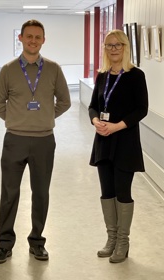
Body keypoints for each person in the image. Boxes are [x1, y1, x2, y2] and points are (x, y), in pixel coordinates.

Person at [0, 19, 71, 264]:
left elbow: (65, 102)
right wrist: (18, 119)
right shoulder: (8, 69)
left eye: (38, 37)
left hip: (44, 142)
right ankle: (4, 244)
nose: (33, 41)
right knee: (9, 193)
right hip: (14, 140)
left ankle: (37, 241)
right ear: (21, 39)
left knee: (41, 193)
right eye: (29, 36)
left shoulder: (54, 69)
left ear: (43, 40)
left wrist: (45, 117)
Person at [88, 29, 148, 263]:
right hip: (103, 141)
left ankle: (123, 242)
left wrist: (116, 126)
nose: (113, 49)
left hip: (125, 142)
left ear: (125, 47)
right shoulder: (102, 76)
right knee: (107, 192)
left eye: (117, 45)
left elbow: (141, 109)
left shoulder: (136, 75)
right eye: (109, 45)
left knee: (123, 192)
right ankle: (111, 239)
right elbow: (93, 106)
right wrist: (95, 121)